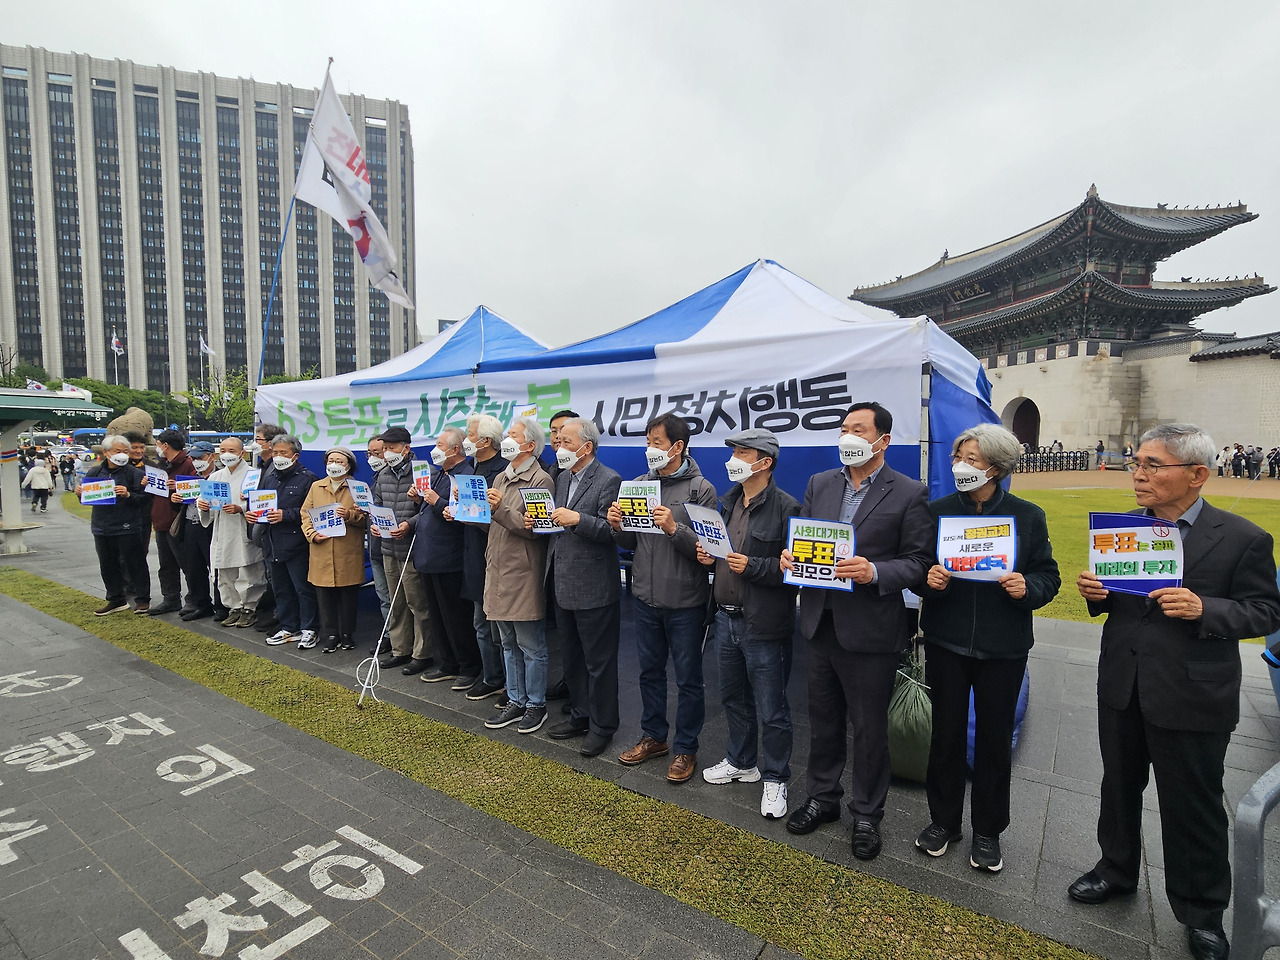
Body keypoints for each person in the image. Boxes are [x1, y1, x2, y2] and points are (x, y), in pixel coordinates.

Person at [1068, 423, 1280, 960]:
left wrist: (1206, 608)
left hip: (1192, 693)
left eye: (1152, 465)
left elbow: (1266, 611)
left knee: (1193, 804)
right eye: (1136, 462)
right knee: (1118, 787)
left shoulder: (1243, 538)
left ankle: (1201, 911)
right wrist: (1095, 593)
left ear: (1197, 474)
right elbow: (1120, 603)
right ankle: (1116, 869)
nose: (1138, 473)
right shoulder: (1122, 531)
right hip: (1123, 683)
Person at [780, 401, 932, 861]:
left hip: (870, 630)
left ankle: (866, 813)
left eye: (858, 429)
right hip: (819, 622)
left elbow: (919, 563)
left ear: (882, 440)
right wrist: (791, 557)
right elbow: (805, 537)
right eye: (844, 428)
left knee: (868, 729)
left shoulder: (909, 492)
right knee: (823, 720)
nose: (847, 436)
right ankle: (822, 797)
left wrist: (875, 572)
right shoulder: (820, 483)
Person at [915, 424, 1060, 872]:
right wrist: (929, 581)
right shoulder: (938, 511)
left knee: (995, 741)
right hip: (946, 642)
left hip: (1003, 647)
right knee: (945, 735)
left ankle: (988, 830)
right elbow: (918, 568)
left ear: (996, 467)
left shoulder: (1027, 516)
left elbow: (1048, 575)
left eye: (972, 459)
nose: (961, 465)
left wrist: (1027, 587)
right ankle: (943, 821)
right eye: (958, 457)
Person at [695, 428, 799, 819]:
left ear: (765, 463)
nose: (733, 459)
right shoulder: (726, 503)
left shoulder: (788, 508)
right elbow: (718, 552)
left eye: (742, 453)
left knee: (772, 708)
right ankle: (741, 762)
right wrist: (707, 556)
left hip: (764, 625)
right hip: (725, 617)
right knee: (733, 699)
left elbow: (795, 570)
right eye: (734, 451)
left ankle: (776, 777)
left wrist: (754, 566)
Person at [608, 412, 718, 783]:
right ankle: (654, 737)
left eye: (657, 443)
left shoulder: (700, 489)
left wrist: (674, 529)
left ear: (678, 446)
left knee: (688, 679)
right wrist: (617, 526)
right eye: (648, 442)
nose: (650, 449)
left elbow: (708, 549)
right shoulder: (639, 485)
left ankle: (686, 748)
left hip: (685, 600)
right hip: (645, 597)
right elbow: (629, 543)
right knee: (650, 672)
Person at [540, 418, 624, 757]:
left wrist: (579, 520)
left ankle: (603, 726)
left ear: (586, 447)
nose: (559, 447)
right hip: (562, 580)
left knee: (598, 662)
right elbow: (557, 521)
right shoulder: (562, 477)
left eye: (566, 442)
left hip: (594, 585)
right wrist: (540, 521)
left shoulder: (608, 479)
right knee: (572, 658)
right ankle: (580, 714)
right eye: (558, 441)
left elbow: (613, 531)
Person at [483, 417, 554, 734]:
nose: (507, 440)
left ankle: (536, 704)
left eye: (513, 435)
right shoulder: (501, 476)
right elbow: (492, 522)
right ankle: (515, 699)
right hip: (497, 569)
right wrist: (470, 508)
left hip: (523, 572)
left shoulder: (541, 480)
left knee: (531, 646)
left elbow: (536, 530)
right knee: (507, 643)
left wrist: (500, 509)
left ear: (530, 445)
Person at [412, 427, 482, 687]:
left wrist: (436, 501)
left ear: (455, 449)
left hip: (450, 557)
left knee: (456, 616)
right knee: (438, 615)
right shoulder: (440, 473)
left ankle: (468, 667)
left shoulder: (465, 474)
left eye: (440, 445)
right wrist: (419, 499)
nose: (435, 450)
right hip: (429, 555)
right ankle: (448, 663)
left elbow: (464, 514)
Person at [372, 426, 433, 673]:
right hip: (388, 547)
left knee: (417, 603)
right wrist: (375, 523)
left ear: (406, 448)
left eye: (392, 448)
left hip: (413, 548)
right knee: (396, 604)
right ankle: (400, 649)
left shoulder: (424, 472)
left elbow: (429, 509)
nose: (387, 453)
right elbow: (376, 504)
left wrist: (409, 524)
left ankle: (422, 653)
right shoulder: (383, 475)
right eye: (385, 448)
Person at [251, 435, 321, 648]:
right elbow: (261, 503)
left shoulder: (308, 478)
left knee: (303, 589)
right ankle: (289, 627)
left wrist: (286, 515)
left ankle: (310, 628)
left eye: (283, 453)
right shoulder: (270, 477)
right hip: (272, 541)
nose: (278, 457)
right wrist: (254, 514)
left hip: (296, 543)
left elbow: (313, 512)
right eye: (275, 453)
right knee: (280, 588)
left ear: (295, 456)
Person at [301, 448, 367, 654]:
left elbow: (366, 518)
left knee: (348, 596)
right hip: (321, 549)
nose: (334, 464)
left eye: (339, 461)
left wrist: (349, 515)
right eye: (331, 460)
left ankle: (347, 634)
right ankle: (331, 634)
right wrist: (312, 534)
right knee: (324, 595)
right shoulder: (316, 486)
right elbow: (305, 514)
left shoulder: (358, 487)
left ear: (349, 465)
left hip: (347, 550)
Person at [460, 414, 508, 701]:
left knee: (498, 628)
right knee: (480, 623)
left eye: (470, 434)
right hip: (473, 553)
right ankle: (490, 675)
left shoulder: (502, 471)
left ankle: (505, 680)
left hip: (495, 555)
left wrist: (470, 512)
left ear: (486, 440)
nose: (466, 439)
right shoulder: (472, 467)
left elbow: (497, 518)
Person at [79, 435, 151, 615]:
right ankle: (116, 599)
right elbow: (87, 499)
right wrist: (80, 493)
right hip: (101, 526)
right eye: (117, 451)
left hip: (128, 525)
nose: (122, 455)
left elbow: (144, 500)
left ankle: (142, 600)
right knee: (107, 565)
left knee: (135, 563)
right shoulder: (95, 472)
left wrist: (128, 495)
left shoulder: (134, 474)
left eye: (125, 451)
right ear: (106, 453)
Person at [198, 437, 265, 627]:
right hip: (222, 529)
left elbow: (261, 502)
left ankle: (249, 608)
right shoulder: (216, 477)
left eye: (232, 450)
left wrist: (241, 508)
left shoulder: (253, 475)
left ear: (242, 453)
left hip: (243, 528)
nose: (227, 454)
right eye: (223, 450)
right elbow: (204, 499)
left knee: (248, 571)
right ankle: (234, 606)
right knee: (225, 571)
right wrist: (203, 505)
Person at [147, 429, 197, 616]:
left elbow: (197, 488)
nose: (157, 448)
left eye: (159, 444)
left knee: (187, 564)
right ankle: (170, 598)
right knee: (166, 565)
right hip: (161, 520)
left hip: (179, 522)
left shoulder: (188, 464)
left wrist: (179, 487)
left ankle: (194, 599)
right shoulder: (160, 465)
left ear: (165, 445)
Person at [172, 440, 217, 621]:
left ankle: (222, 605)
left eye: (200, 457)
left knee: (216, 568)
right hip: (191, 524)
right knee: (194, 567)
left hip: (211, 526)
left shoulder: (219, 476)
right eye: (193, 458)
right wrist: (175, 499)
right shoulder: (190, 478)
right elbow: (181, 503)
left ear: (211, 456)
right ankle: (201, 603)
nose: (196, 461)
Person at [365, 436, 392, 628]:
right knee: (384, 596)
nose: (372, 458)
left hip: (393, 547)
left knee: (399, 598)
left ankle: (402, 639)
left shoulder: (397, 479)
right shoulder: (374, 481)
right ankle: (389, 634)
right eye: (369, 453)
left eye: (377, 453)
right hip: (375, 547)